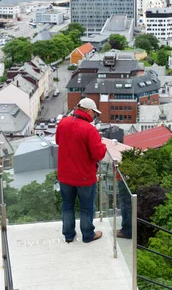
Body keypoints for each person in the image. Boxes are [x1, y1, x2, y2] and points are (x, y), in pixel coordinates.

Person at [55, 98, 107, 243]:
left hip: (65, 175)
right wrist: (102, 145)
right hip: (84, 176)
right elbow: (98, 154)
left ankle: (68, 235)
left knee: (67, 205)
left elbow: (59, 141)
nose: (94, 117)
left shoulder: (63, 123)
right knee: (86, 207)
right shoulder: (89, 129)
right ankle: (88, 235)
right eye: (94, 114)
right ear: (89, 111)